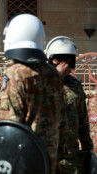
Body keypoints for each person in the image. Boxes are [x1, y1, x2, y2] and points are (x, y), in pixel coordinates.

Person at [0, 14, 67, 174]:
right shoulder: (55, 75)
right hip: (48, 159)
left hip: (24, 160)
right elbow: (63, 122)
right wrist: (58, 158)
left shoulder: (15, 74)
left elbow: (11, 125)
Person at [45, 36, 94, 173]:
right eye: (58, 60)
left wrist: (87, 150)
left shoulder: (76, 86)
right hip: (48, 156)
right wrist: (57, 77)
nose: (63, 65)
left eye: (67, 60)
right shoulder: (42, 83)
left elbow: (83, 121)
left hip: (71, 157)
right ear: (50, 60)